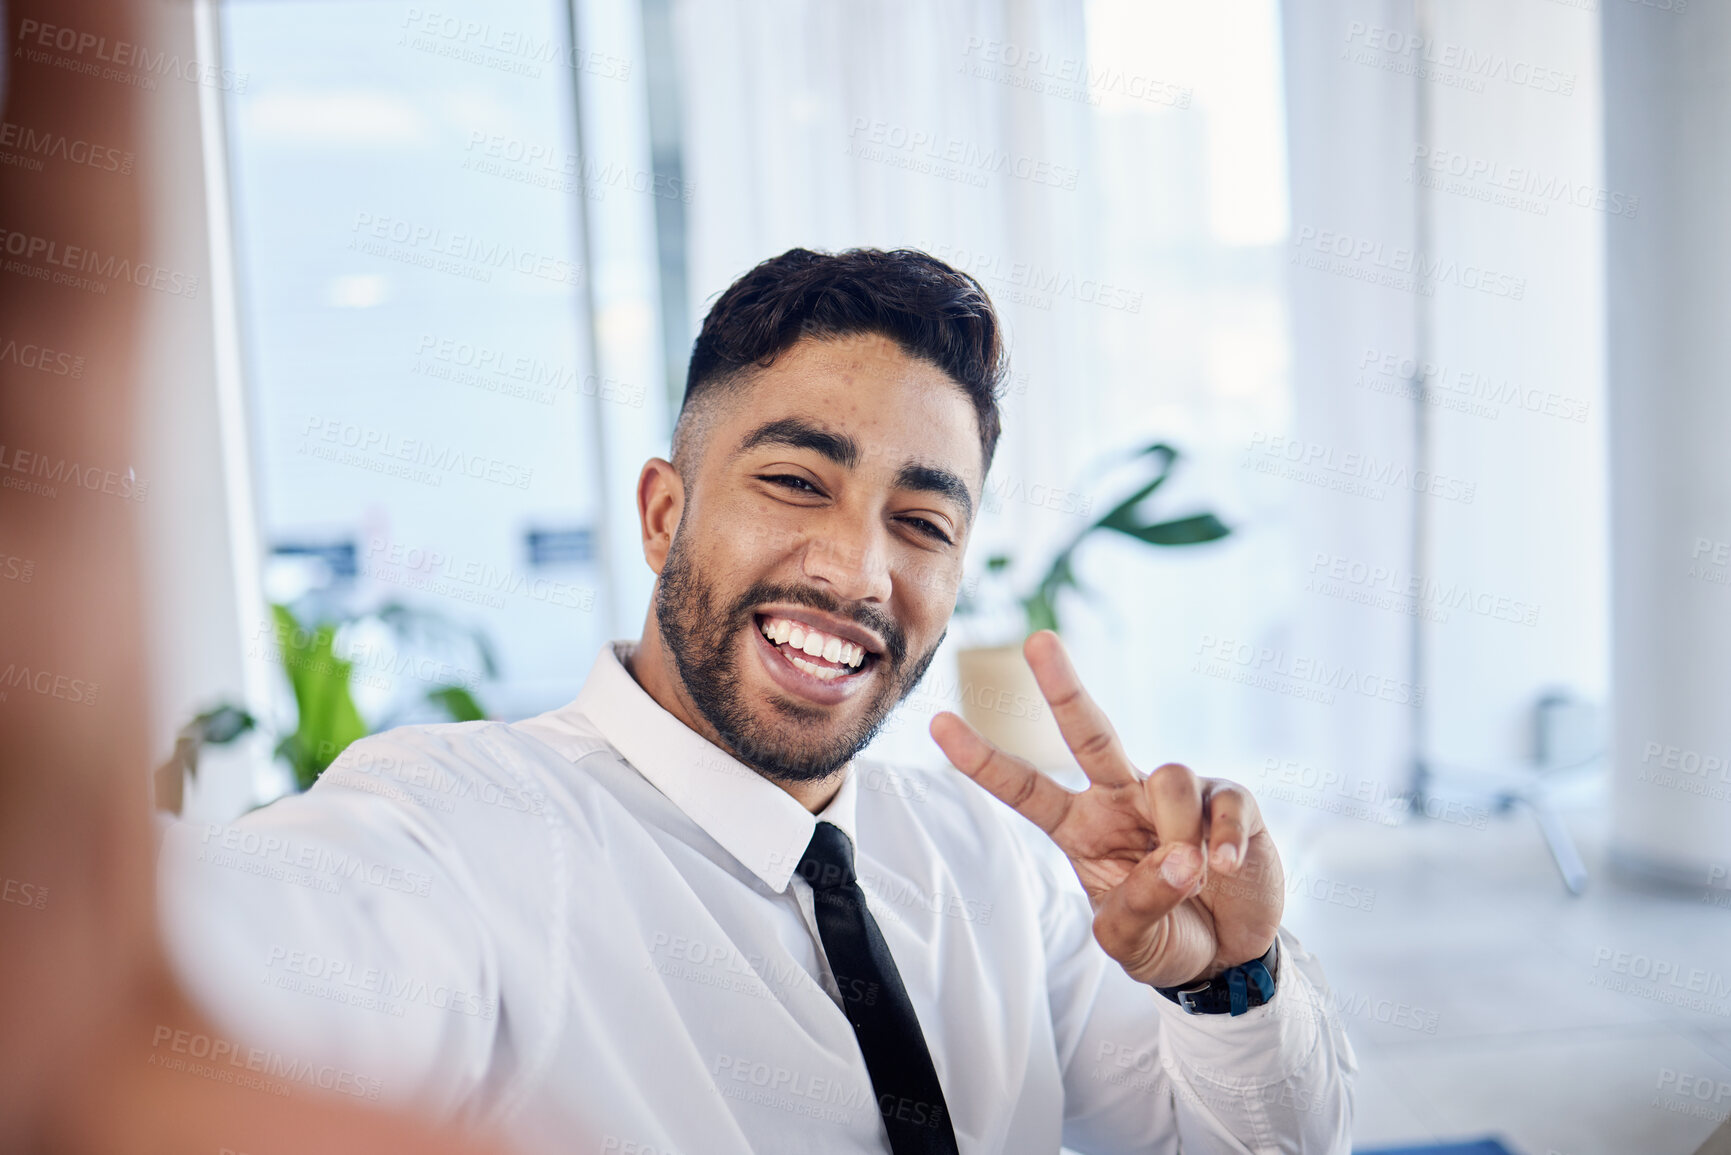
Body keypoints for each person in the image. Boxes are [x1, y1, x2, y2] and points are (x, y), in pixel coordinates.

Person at [159, 247, 1356, 1154]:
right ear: (663, 515)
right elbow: (212, 964)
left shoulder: (994, 864)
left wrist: (1226, 982)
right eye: (795, 481)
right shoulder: (453, 832)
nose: (857, 571)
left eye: (923, 523)